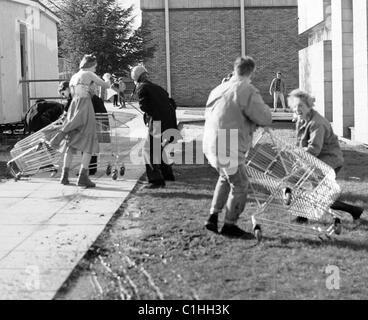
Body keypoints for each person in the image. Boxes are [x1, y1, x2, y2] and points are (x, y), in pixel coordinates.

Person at [203, 56, 273, 238]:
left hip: (211, 142)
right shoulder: (245, 89)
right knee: (240, 183)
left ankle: (212, 216)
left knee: (225, 178)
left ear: (235, 69)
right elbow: (264, 116)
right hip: (228, 143)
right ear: (252, 71)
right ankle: (230, 225)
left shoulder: (218, 88)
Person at [287, 89, 364, 223]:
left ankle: (303, 217)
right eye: (295, 105)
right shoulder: (301, 119)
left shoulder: (317, 123)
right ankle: (354, 211)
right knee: (317, 193)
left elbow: (314, 149)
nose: (297, 109)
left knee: (319, 195)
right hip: (316, 161)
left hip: (330, 161)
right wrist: (298, 158)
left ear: (308, 106)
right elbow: (300, 143)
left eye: (301, 106)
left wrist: (296, 153)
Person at [50, 54, 111, 188]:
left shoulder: (73, 77)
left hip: (74, 108)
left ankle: (64, 176)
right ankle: (83, 177)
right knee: (89, 144)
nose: (95, 69)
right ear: (90, 65)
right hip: (85, 109)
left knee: (70, 144)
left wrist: (90, 91)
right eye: (95, 66)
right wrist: (107, 78)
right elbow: (105, 85)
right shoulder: (88, 74)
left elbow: (76, 94)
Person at [131, 65, 178, 188]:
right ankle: (167, 175)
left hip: (157, 122)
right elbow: (172, 102)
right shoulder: (157, 87)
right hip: (169, 121)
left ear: (136, 78)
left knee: (148, 150)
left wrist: (148, 117)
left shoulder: (141, 88)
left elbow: (145, 107)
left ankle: (156, 180)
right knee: (157, 149)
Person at [58, 80, 109, 176]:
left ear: (68, 88)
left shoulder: (76, 98)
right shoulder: (88, 97)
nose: (64, 96)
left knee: (83, 145)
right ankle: (90, 168)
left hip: (90, 124)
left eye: (63, 93)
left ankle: (86, 169)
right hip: (97, 123)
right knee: (88, 145)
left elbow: (68, 113)